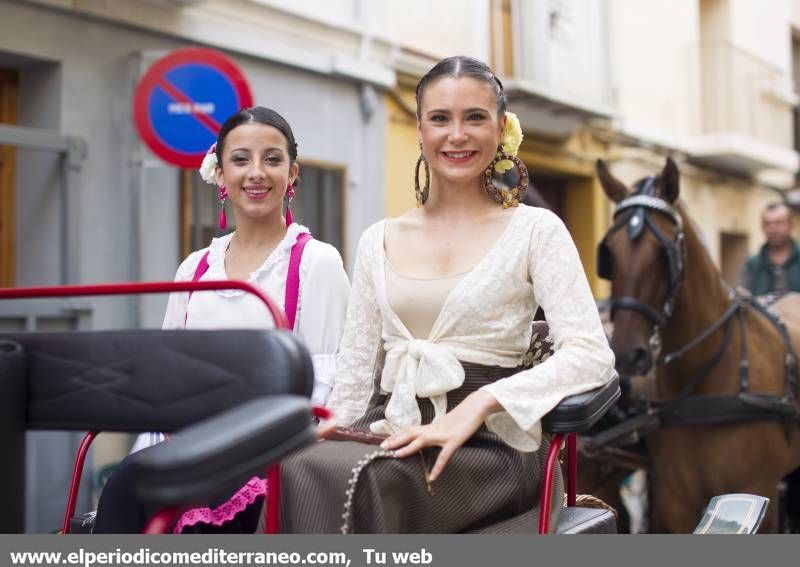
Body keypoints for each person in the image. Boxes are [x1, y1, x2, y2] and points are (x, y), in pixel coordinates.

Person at [277, 56, 616, 534]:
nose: (457, 135)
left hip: (493, 443)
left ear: (500, 130)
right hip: (390, 422)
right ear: (420, 130)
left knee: (371, 479)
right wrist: (336, 424)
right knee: (295, 467)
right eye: (440, 119)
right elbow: (355, 374)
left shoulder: (536, 230)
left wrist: (480, 405)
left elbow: (590, 355)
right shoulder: (378, 239)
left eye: (474, 118)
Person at [93, 106, 350, 533]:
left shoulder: (315, 263)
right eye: (240, 159)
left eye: (272, 159)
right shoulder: (194, 268)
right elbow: (166, 373)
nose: (256, 173)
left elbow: (327, 384)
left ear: (293, 173)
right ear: (221, 173)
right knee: (130, 481)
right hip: (190, 442)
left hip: (273, 453)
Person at [738, 202, 800, 297]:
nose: (773, 228)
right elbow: (742, 300)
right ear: (762, 227)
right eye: (768, 224)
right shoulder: (752, 265)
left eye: (779, 223)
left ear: (791, 226)